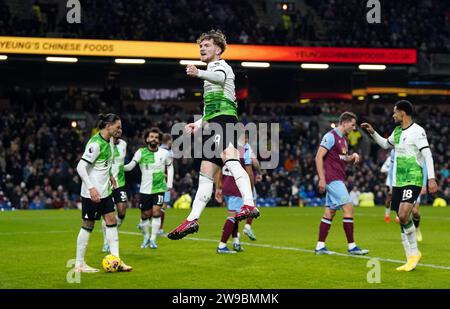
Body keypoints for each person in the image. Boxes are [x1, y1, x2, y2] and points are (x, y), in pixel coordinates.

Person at [168, 30, 259, 240]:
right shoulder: (211, 70)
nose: (202, 49)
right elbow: (212, 108)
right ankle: (192, 219)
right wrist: (198, 124)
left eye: (206, 45)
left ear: (217, 49)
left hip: (225, 121)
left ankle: (249, 204)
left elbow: (219, 78)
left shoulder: (220, 66)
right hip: (214, 122)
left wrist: (198, 72)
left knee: (230, 158)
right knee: (206, 172)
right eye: (200, 46)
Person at [361, 100, 437, 271]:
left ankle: (415, 253)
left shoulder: (418, 131)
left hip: (413, 179)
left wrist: (431, 179)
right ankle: (410, 257)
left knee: (403, 215)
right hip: (397, 182)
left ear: (403, 113)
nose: (393, 114)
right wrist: (373, 132)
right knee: (402, 220)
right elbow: (384, 144)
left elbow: (428, 156)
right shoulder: (396, 131)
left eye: (395, 112)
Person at [75, 113, 132, 273]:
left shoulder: (111, 142)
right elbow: (80, 167)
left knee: (112, 220)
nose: (120, 130)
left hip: (105, 191)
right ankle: (79, 264)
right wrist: (91, 187)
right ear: (108, 126)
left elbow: (105, 164)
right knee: (88, 225)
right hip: (92, 193)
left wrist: (112, 176)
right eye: (118, 127)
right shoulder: (95, 144)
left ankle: (116, 259)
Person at [314, 112, 369, 256]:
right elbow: (318, 157)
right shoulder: (330, 136)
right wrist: (321, 179)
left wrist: (353, 157)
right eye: (352, 124)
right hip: (332, 179)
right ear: (344, 123)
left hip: (337, 178)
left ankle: (320, 246)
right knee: (349, 207)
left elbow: (342, 157)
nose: (354, 127)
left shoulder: (343, 140)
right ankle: (352, 247)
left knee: (329, 212)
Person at [125, 127, 173, 249]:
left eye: (156, 137)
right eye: (151, 137)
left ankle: (152, 239)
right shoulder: (140, 152)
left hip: (159, 188)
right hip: (145, 190)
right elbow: (130, 166)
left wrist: (169, 185)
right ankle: (146, 237)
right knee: (145, 215)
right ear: (147, 139)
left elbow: (170, 167)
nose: (154, 139)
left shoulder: (164, 153)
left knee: (157, 212)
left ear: (159, 140)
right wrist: (118, 166)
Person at [214, 136, 254, 253]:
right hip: (236, 187)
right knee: (232, 216)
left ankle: (236, 242)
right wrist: (249, 189)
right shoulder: (244, 151)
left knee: (235, 215)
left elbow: (218, 170)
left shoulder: (225, 149)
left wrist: (218, 187)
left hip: (226, 185)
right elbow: (249, 172)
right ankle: (222, 246)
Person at [102, 128, 128, 252]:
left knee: (122, 211)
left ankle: (112, 230)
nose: (119, 131)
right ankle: (106, 241)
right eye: (116, 129)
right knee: (108, 213)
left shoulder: (124, 144)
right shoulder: (106, 144)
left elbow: (121, 164)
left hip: (120, 183)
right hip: (106, 182)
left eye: (120, 129)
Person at [158, 133, 174, 235]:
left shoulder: (158, 150)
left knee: (162, 205)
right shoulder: (168, 152)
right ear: (169, 140)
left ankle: (146, 221)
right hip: (164, 183)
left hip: (163, 181)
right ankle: (160, 229)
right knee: (163, 206)